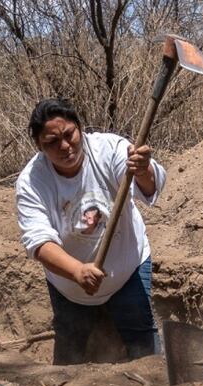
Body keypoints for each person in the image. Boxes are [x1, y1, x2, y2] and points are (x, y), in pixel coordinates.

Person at [16, 98, 166, 364]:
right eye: (52, 142)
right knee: (70, 356)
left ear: (80, 128)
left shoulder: (109, 149)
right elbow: (38, 241)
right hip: (69, 286)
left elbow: (148, 185)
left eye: (69, 135)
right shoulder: (32, 181)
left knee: (143, 345)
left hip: (127, 267)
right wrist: (77, 271)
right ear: (39, 146)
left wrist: (142, 170)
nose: (65, 146)